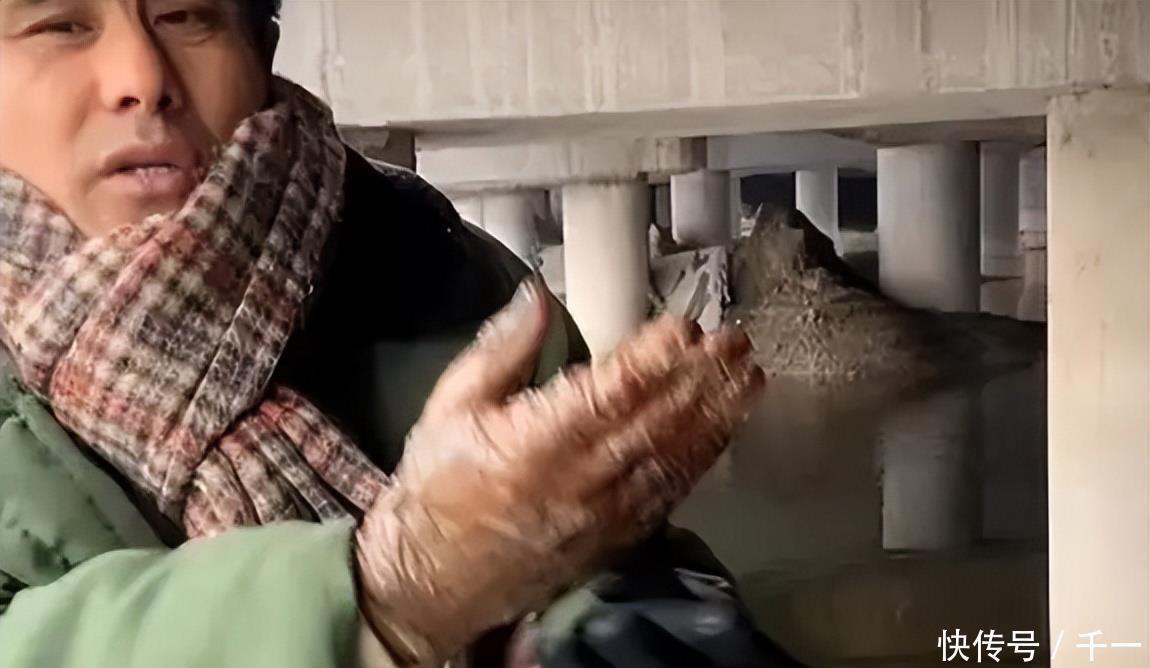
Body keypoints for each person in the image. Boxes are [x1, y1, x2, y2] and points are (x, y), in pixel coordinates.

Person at [0, 1, 797, 666]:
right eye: (60, 25)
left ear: (261, 51)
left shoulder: (436, 272)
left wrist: (602, 627)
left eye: (187, 16)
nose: (143, 78)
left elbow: (627, 571)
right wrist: (393, 594)